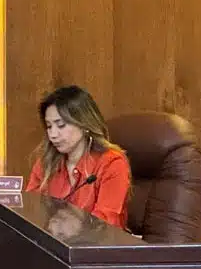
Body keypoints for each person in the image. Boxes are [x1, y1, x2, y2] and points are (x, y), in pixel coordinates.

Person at [25, 85, 132, 229]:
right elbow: (30, 214)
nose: (53, 134)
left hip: (96, 248)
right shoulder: (46, 162)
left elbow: (105, 225)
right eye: (49, 126)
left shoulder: (112, 163)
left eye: (61, 125)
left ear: (84, 124)